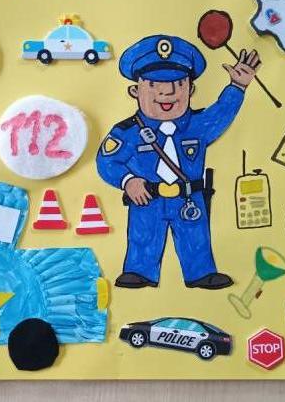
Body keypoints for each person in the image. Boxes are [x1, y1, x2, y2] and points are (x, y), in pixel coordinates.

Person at [96, 35, 259, 289]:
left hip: (188, 198)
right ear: (135, 91)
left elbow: (222, 112)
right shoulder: (127, 132)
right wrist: (128, 181)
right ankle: (139, 271)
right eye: (153, 85)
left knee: (196, 238)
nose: (167, 93)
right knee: (143, 237)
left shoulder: (198, 125)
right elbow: (107, 162)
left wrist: (237, 86)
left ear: (190, 90)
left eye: (178, 84)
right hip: (147, 198)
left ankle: (201, 272)